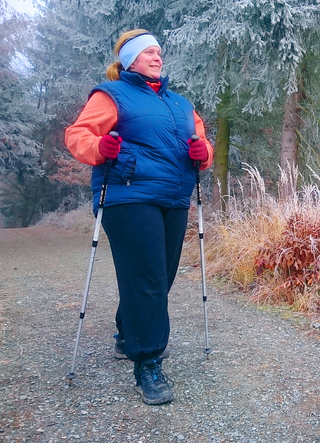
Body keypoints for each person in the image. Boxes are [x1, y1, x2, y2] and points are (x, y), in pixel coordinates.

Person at [64, 29, 213, 405]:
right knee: (147, 277)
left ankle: (128, 333)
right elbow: (78, 135)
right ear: (129, 60)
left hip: (173, 198)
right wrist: (100, 146)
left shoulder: (181, 104)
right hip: (127, 196)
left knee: (160, 275)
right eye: (148, 52)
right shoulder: (111, 94)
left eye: (159, 52)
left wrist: (203, 153)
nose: (156, 57)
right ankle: (147, 362)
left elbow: (203, 146)